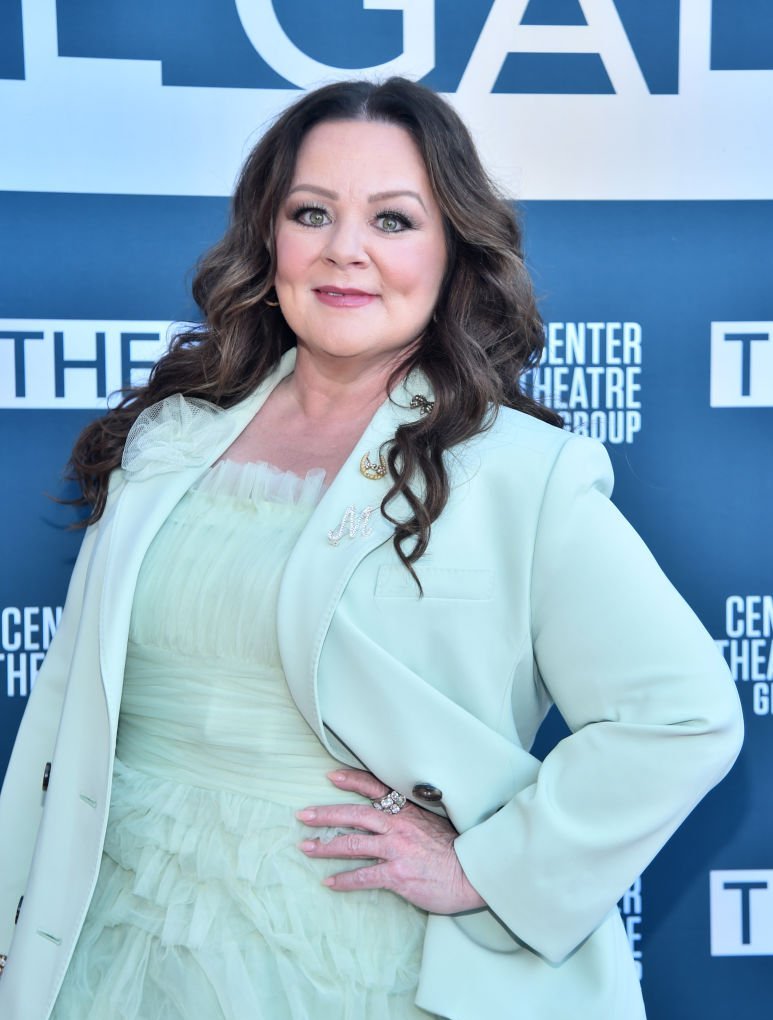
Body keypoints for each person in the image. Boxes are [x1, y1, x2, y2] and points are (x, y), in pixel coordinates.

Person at [0, 77, 743, 1020]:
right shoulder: (169, 438)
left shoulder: (519, 472)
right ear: (268, 238)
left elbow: (681, 718)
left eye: (392, 220)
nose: (344, 249)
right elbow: (69, 707)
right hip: (117, 936)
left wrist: (488, 868)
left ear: (451, 251)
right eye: (311, 213)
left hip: (343, 962)